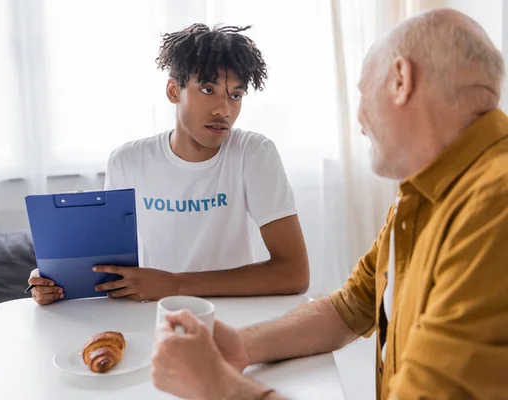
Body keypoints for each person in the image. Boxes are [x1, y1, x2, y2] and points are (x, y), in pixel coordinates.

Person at [151, 8, 508, 400]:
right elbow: (347, 309)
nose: (359, 120)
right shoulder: (422, 196)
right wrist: (242, 345)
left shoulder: (495, 208)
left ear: (401, 81)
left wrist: (218, 387)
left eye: (363, 92)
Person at [28, 24, 310, 305]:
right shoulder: (127, 161)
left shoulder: (254, 153)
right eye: (208, 89)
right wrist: (56, 283)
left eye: (235, 95)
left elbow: (294, 274)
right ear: (174, 91)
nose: (223, 110)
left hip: (230, 316)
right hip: (152, 316)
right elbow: (106, 270)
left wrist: (174, 285)